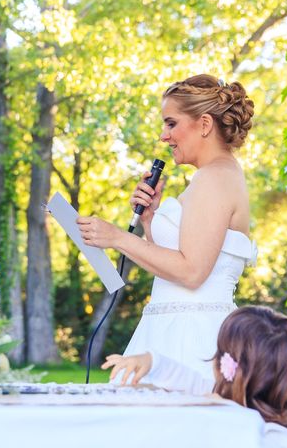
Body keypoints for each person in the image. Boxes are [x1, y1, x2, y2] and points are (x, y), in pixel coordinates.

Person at [77, 74, 256, 382]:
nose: (164, 136)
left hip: (191, 338)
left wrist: (117, 238)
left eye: (171, 123)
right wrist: (149, 220)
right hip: (174, 325)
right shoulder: (217, 175)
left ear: (204, 125)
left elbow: (191, 273)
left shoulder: (213, 178)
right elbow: (175, 268)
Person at [102, 306, 287, 448]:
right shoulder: (224, 396)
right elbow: (189, 380)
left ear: (229, 367)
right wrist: (153, 361)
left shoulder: (274, 437)